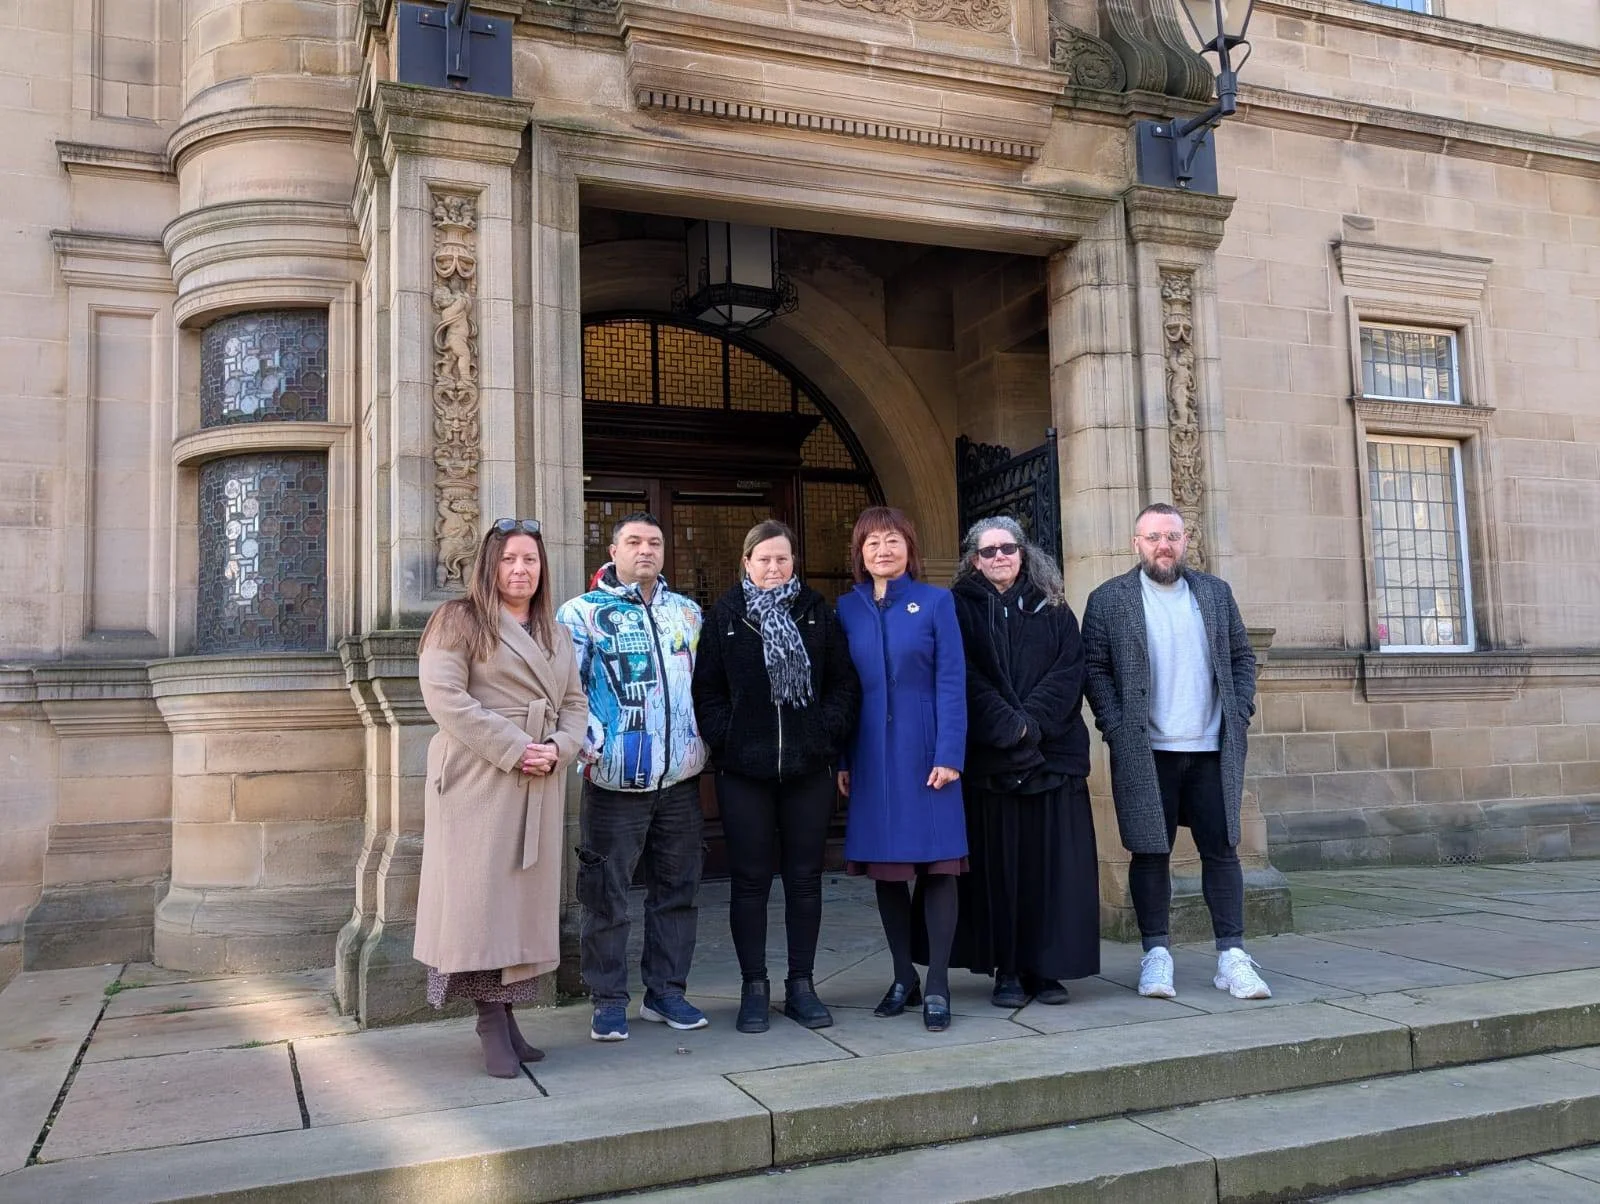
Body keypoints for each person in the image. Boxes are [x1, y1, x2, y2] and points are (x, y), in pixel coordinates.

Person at [414, 518, 588, 1078]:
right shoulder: (457, 620)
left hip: (539, 778)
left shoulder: (554, 632)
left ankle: (510, 1014)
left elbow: (576, 703)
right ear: (490, 565)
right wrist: (518, 747)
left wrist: (558, 747)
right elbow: (445, 698)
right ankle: (489, 1019)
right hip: (478, 777)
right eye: (511, 559)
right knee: (478, 902)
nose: (521, 569)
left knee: (519, 905)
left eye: (531, 560)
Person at [1080, 502, 1271, 1002]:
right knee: (1149, 851)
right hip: (1146, 750)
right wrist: (1116, 726)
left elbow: (1241, 656)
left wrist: (1241, 707)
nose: (1163, 545)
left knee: (1223, 850)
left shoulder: (1214, 593)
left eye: (1172, 536)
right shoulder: (1109, 599)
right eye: (1152, 537)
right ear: (1135, 544)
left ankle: (1232, 956)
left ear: (1186, 541)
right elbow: (1094, 668)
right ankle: (1156, 955)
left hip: (1212, 747)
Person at [692, 520, 862, 1034]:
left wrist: (823, 733)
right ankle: (754, 987)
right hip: (745, 772)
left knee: (805, 881)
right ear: (746, 563)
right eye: (763, 559)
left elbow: (843, 686)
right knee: (749, 883)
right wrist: (730, 738)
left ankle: (802, 985)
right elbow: (708, 693)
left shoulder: (818, 615)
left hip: (807, 770)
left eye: (782, 559)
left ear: (794, 563)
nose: (773, 567)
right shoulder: (723, 617)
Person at [557, 512, 711, 1041]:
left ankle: (666, 993)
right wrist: (589, 745)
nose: (645, 550)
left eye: (654, 542)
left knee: (678, 891)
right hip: (614, 784)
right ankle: (608, 999)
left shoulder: (688, 614)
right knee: (606, 896)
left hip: (680, 783)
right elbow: (565, 694)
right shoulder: (580, 615)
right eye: (634, 542)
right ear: (614, 549)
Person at [948, 516, 1098, 1008]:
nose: (999, 558)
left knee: (1048, 873)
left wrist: (1030, 724)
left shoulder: (1053, 606)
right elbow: (964, 678)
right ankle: (1007, 970)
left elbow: (1069, 670)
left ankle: (1046, 969)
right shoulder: (958, 610)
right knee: (1002, 874)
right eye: (988, 551)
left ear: (1023, 551)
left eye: (1008, 549)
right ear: (974, 559)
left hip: (1051, 758)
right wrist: (1008, 727)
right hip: (992, 763)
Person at [836, 506, 967, 1032]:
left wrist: (950, 754)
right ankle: (901, 977)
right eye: (872, 543)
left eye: (892, 541)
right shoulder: (845, 609)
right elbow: (841, 691)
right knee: (887, 871)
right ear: (859, 554)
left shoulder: (937, 603)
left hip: (927, 753)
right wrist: (842, 759)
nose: (883, 551)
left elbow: (952, 681)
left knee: (938, 867)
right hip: (868, 754)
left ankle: (937, 982)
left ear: (909, 548)